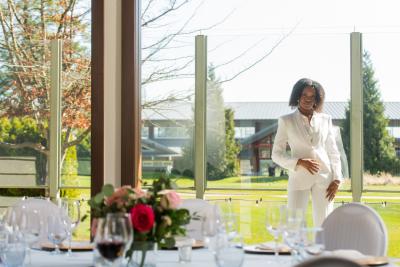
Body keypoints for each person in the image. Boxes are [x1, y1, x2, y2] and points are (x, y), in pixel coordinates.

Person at [271, 78, 342, 227]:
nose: (308, 99)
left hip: (325, 178)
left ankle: (322, 251)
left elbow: (333, 152)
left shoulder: (326, 119)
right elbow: (276, 154)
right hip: (298, 178)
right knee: (294, 226)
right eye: (304, 95)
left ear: (317, 99)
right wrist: (299, 162)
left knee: (324, 226)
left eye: (312, 96)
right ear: (297, 96)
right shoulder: (286, 121)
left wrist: (336, 178)